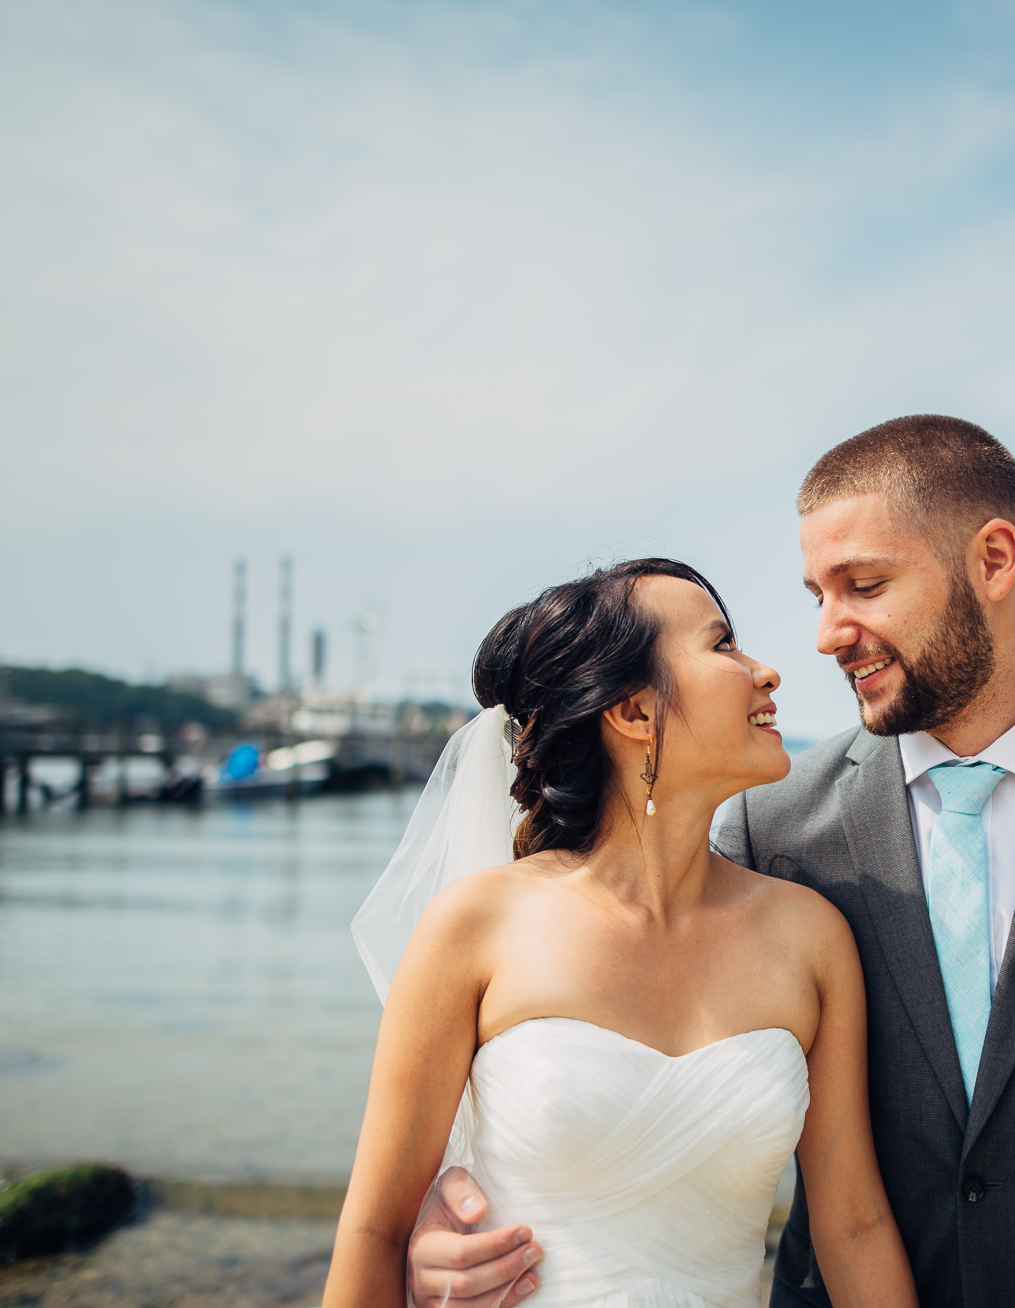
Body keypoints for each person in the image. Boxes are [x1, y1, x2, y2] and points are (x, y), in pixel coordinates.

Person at [414, 417, 1015, 1307]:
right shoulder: (771, 827)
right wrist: (454, 1215)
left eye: (863, 585)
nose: (826, 633)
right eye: (818, 594)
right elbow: (602, 1082)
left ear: (994, 560)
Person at [323, 558, 920, 1308]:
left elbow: (854, 1226)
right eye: (723, 646)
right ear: (634, 712)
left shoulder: (811, 937)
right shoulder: (476, 926)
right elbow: (375, 1231)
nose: (767, 672)